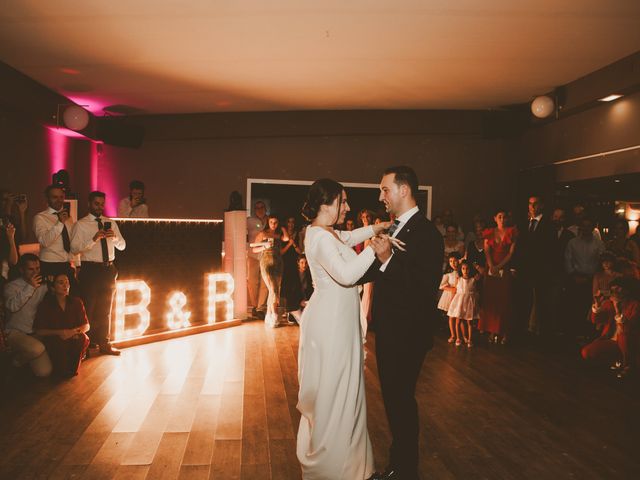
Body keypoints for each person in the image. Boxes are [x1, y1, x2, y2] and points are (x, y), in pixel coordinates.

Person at [296, 178, 392, 480]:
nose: (347, 207)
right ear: (327, 203)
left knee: (345, 390)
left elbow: (348, 237)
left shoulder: (324, 232)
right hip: (331, 324)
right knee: (337, 392)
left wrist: (376, 228)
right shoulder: (321, 238)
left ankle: (353, 467)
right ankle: (335, 468)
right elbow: (347, 275)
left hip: (337, 319)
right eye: (343, 201)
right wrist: (375, 250)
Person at [359, 166, 443, 480]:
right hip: (392, 329)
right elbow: (377, 271)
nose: (381, 196)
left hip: (407, 333)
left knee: (400, 400)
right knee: (395, 399)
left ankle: (405, 471)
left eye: (385, 189)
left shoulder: (426, 233)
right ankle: (400, 465)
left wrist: (387, 260)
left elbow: (423, 287)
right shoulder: (397, 227)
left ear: (403, 190)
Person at [71, 191, 126, 355]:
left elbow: (123, 246)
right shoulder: (80, 225)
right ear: (89, 204)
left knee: (106, 309)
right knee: (89, 308)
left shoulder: (110, 223)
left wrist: (114, 237)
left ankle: (105, 343)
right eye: (96, 203)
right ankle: (86, 346)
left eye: (102, 204)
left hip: (109, 269)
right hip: (90, 269)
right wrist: (93, 239)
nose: (100, 207)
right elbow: (74, 249)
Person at [3, 254, 52, 377]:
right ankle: (15, 362)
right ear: (21, 270)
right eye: (31, 269)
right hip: (14, 332)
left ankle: (24, 358)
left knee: (45, 372)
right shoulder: (11, 287)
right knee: (37, 349)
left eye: (38, 269)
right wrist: (30, 287)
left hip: (33, 333)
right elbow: (13, 307)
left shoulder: (43, 285)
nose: (35, 272)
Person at [34, 273, 90, 378]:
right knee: (60, 372)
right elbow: (39, 331)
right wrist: (61, 332)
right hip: (54, 339)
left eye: (67, 282)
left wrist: (73, 332)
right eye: (61, 283)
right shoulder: (45, 305)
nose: (66, 286)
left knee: (82, 338)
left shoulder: (77, 302)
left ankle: (74, 364)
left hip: (73, 337)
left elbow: (86, 325)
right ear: (52, 287)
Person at [582, 277, 639, 379]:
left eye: (618, 290)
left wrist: (617, 309)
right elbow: (596, 320)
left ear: (626, 291)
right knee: (587, 352)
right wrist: (598, 305)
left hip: (630, 342)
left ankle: (628, 365)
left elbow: (627, 329)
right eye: (612, 290)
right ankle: (617, 360)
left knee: (623, 336)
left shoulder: (635, 305)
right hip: (612, 341)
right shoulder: (609, 303)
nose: (614, 293)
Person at [519, 195, 556, 338]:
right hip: (525, 271)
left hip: (541, 271)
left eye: (535, 204)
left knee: (540, 303)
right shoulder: (525, 223)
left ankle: (539, 334)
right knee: (525, 301)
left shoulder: (549, 225)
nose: (532, 207)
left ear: (541, 206)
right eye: (530, 204)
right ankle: (526, 331)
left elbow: (550, 250)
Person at [478, 208, 518, 345]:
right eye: (499, 216)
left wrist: (499, 266)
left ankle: (504, 331)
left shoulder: (512, 232)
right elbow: (487, 250)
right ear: (494, 218)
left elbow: (511, 253)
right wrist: (491, 266)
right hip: (491, 268)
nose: (502, 219)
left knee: (504, 300)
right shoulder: (489, 232)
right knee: (490, 300)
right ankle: (492, 331)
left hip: (503, 268)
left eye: (504, 217)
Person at [32, 185, 78, 293]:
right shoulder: (40, 218)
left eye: (61, 197)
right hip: (49, 265)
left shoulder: (68, 218)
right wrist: (59, 223)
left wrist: (76, 264)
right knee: (51, 301)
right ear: (47, 198)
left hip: (66, 265)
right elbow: (44, 241)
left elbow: (71, 242)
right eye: (55, 197)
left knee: (73, 298)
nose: (59, 200)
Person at [253, 215, 289, 327]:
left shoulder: (278, 235)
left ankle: (269, 314)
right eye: (271, 222)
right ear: (268, 222)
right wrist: (265, 247)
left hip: (278, 262)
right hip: (266, 262)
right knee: (273, 288)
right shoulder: (262, 234)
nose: (273, 224)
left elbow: (287, 239)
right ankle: (273, 313)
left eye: (276, 222)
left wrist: (283, 229)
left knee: (276, 289)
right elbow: (254, 249)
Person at [448, 260, 481, 348]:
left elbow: (475, 292)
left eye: (467, 269)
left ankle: (469, 339)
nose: (465, 270)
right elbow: (455, 291)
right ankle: (458, 338)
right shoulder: (459, 279)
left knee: (469, 322)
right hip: (460, 303)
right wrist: (452, 302)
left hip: (469, 304)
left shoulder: (473, 280)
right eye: (463, 268)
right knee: (458, 321)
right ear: (461, 269)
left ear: (470, 269)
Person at [247, 200, 268, 317]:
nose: (260, 209)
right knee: (252, 281)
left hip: (266, 255)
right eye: (257, 208)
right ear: (254, 210)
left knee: (265, 282)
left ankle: (260, 308)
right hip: (253, 255)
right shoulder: (249, 221)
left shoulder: (270, 220)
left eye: (262, 207)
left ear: (265, 208)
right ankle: (255, 306)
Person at [438, 252, 460, 344]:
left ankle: (460, 335)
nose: (453, 263)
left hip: (460, 296)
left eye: (455, 261)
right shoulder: (448, 274)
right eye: (450, 261)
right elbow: (441, 286)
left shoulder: (462, 271)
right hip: (451, 296)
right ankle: (453, 335)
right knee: (451, 317)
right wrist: (452, 289)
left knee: (459, 317)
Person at [287, 255, 314, 324]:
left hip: (304, 301)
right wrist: (300, 302)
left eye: (306, 263)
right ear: (298, 263)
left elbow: (310, 290)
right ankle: (291, 314)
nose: (304, 265)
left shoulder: (309, 274)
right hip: (294, 302)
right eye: (302, 262)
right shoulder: (292, 274)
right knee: (304, 322)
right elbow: (291, 293)